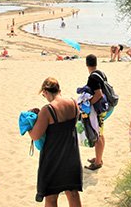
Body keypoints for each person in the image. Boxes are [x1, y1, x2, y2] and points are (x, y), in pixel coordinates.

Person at [29, 77, 82, 206]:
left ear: (46, 92)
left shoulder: (48, 109)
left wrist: (29, 126)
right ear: (59, 89)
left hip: (53, 158)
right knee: (73, 193)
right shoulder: (73, 102)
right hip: (71, 155)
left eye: (43, 94)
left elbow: (36, 136)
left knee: (51, 197)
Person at [84, 54, 106, 170]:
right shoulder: (100, 73)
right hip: (103, 108)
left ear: (86, 64)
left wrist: (88, 104)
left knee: (98, 135)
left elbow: (99, 94)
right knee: (100, 134)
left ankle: (97, 163)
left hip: (99, 109)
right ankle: (98, 158)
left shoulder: (92, 77)